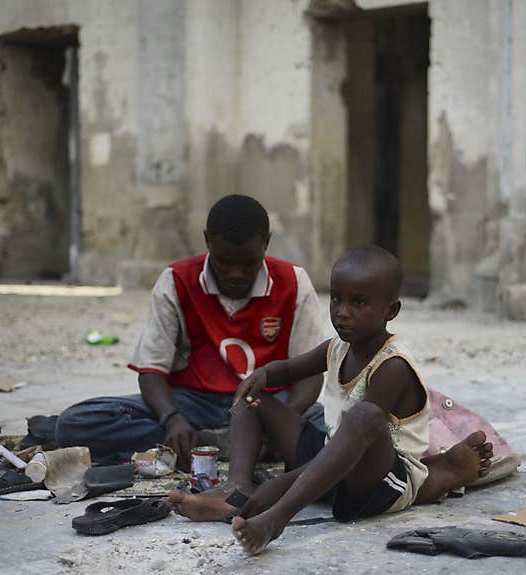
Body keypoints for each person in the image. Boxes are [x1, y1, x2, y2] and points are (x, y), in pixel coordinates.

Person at [168, 245, 493, 555]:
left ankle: (276, 518)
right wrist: (263, 375)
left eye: (358, 303)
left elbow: (359, 441)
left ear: (390, 310)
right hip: (332, 452)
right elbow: (288, 370)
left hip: (378, 477)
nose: (342, 313)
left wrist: (278, 487)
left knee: (363, 416)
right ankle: (235, 490)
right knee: (252, 399)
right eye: (336, 299)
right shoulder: (337, 347)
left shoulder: (392, 366)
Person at [54, 194, 326, 471]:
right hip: (194, 404)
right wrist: (172, 419)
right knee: (74, 422)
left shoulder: (293, 281)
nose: (236, 274)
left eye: (248, 263)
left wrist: (284, 421)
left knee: (330, 424)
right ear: (207, 240)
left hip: (266, 402)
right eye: (224, 262)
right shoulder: (176, 280)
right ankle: (221, 444)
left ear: (266, 243)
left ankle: (209, 447)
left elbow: (312, 372)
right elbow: (151, 372)